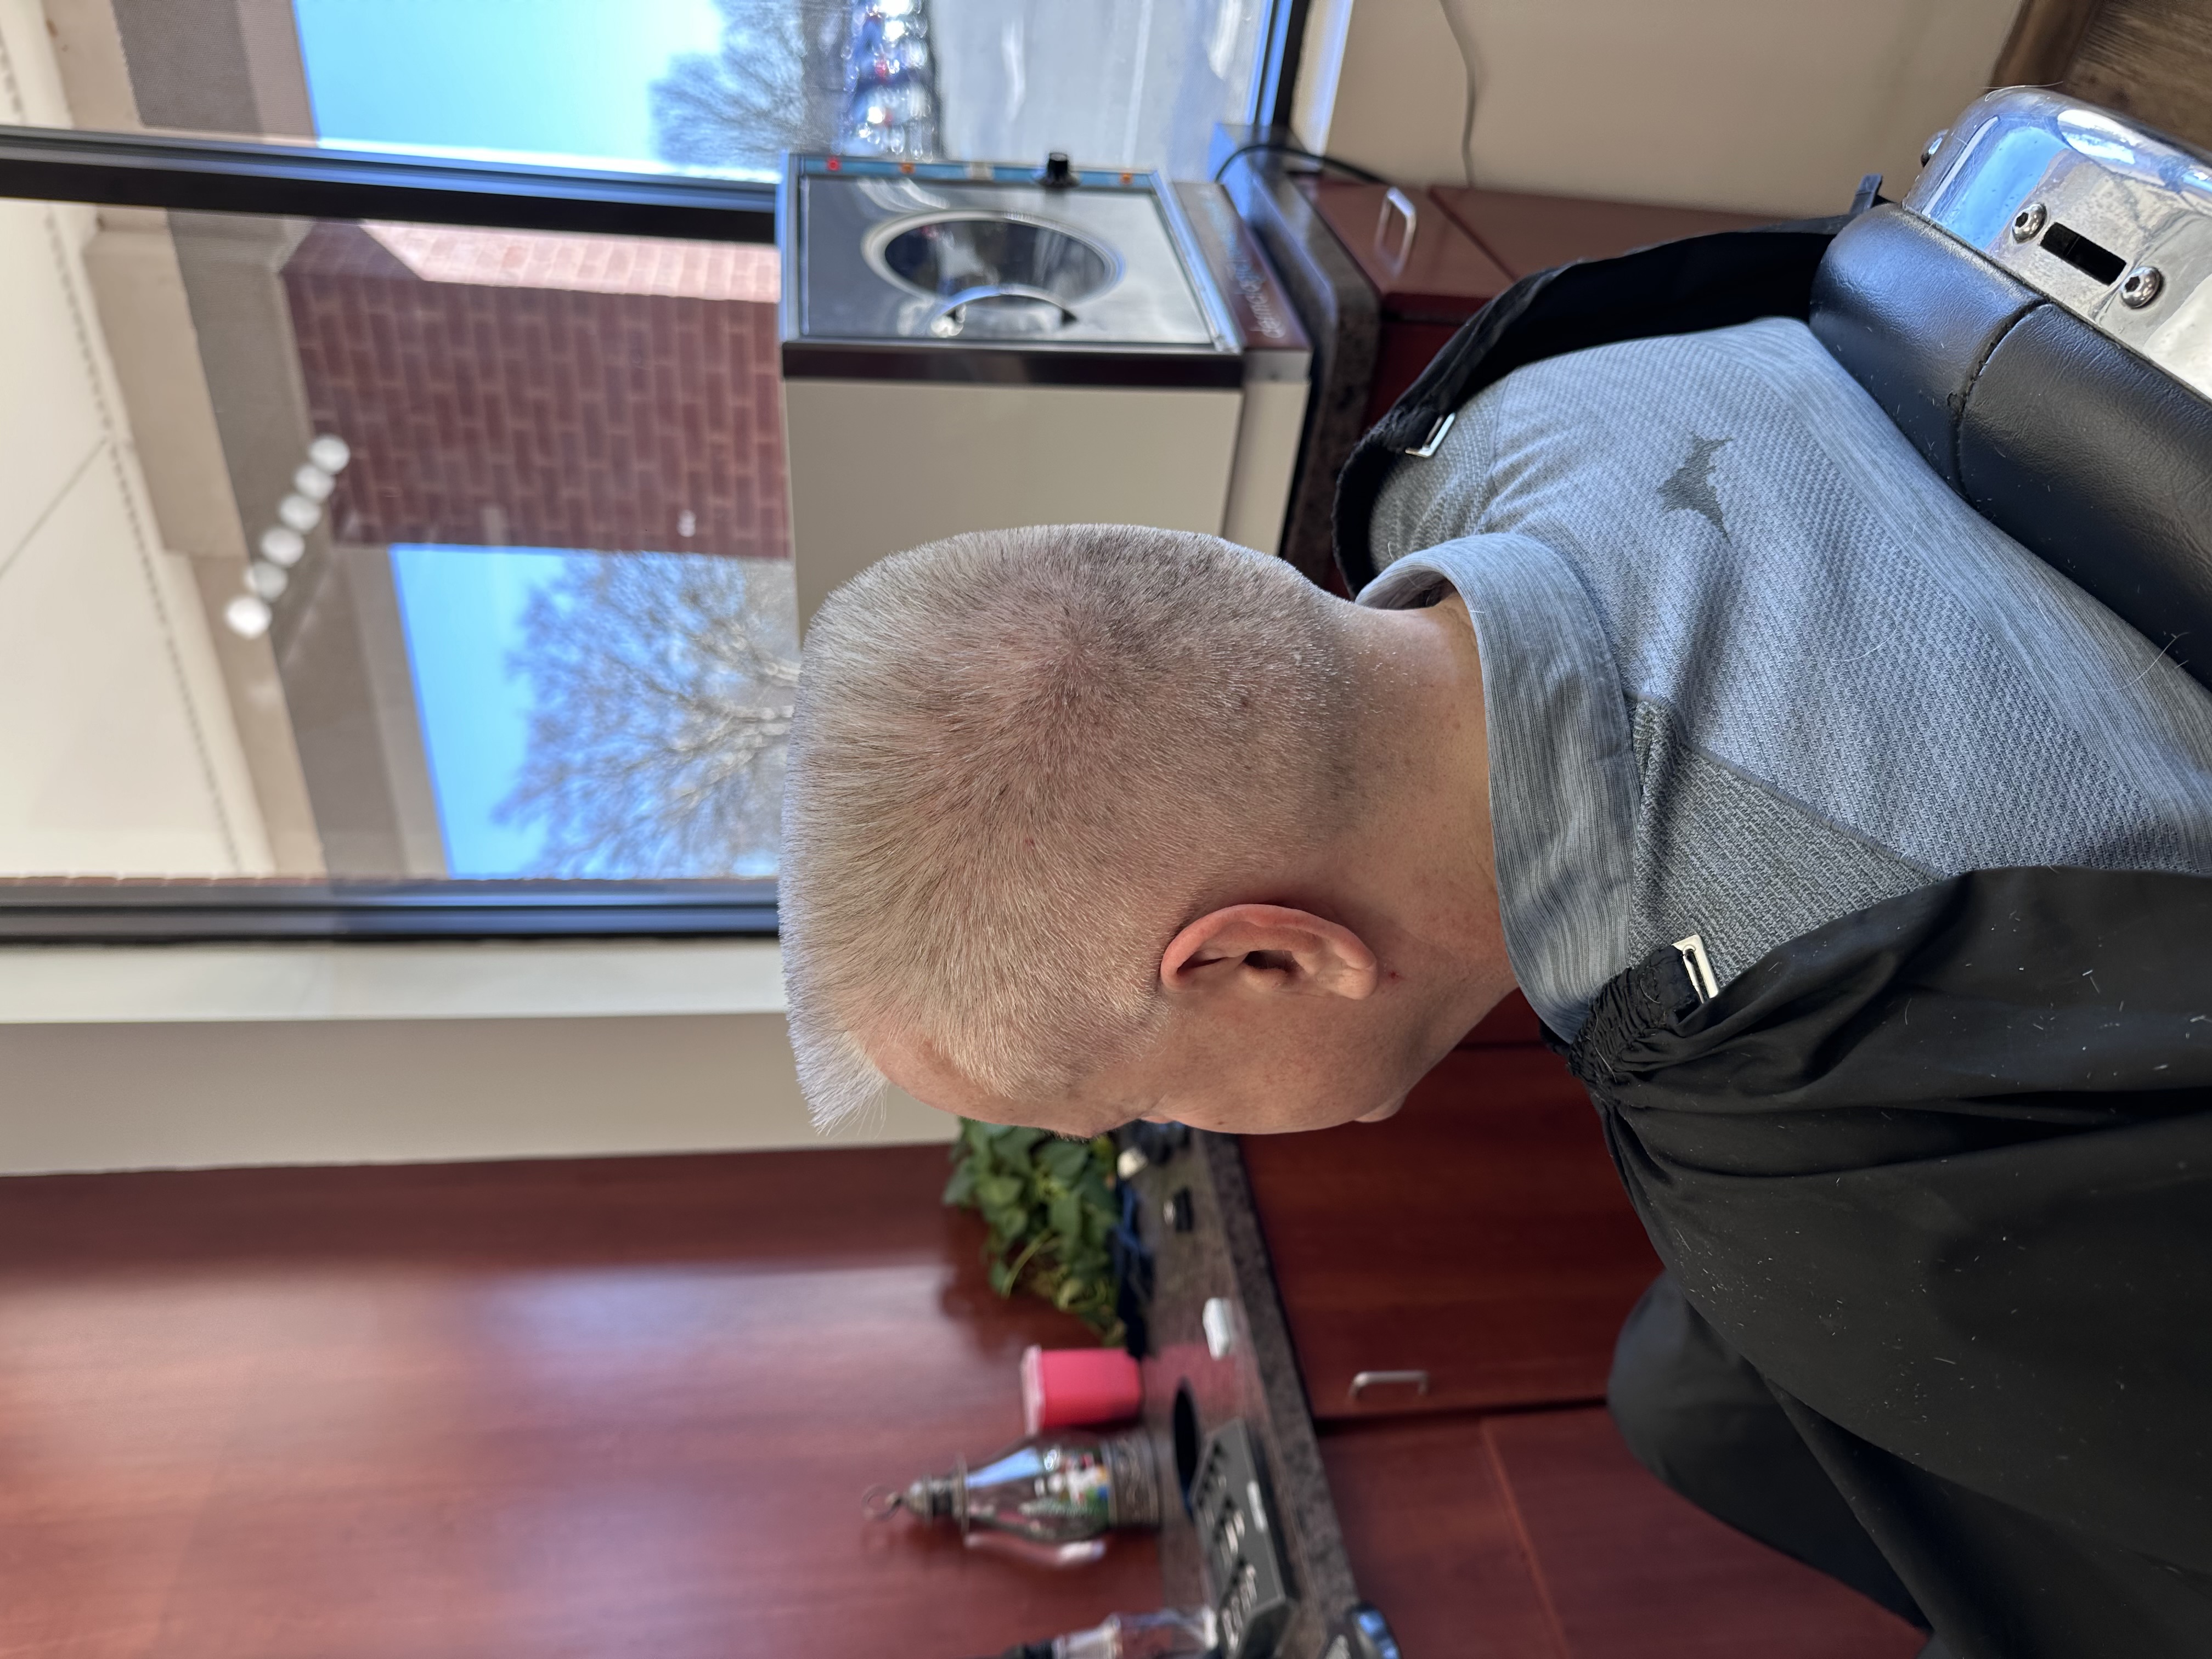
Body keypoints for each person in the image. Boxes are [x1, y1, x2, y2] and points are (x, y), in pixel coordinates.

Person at [779, 314, 2212, 1655]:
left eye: (1149, 1096)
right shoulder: (1522, 407)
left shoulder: (1829, 1095)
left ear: (1264, 957)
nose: (1196, 1131)